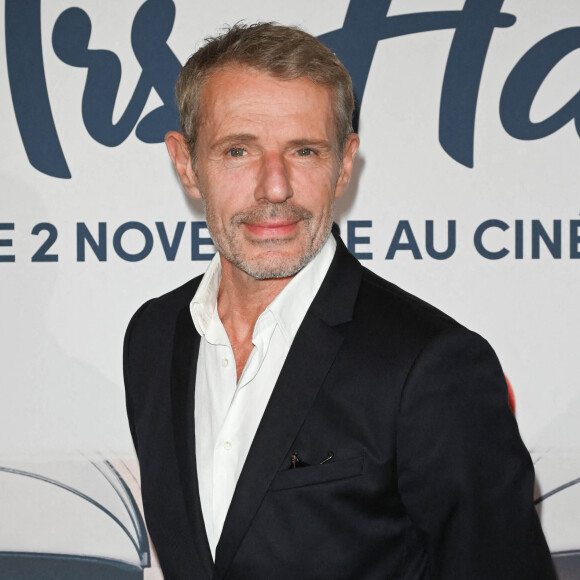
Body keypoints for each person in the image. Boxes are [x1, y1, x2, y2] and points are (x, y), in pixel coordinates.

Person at [123, 22, 556, 580]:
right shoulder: (154, 337)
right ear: (186, 164)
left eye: (303, 151)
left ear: (344, 163)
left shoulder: (431, 365)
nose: (274, 187)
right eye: (238, 151)